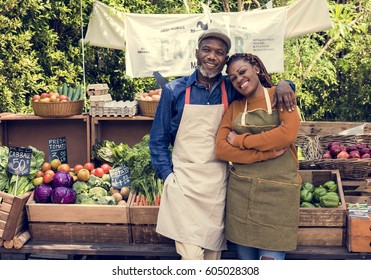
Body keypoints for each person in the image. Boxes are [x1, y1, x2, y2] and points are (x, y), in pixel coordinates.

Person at [148, 28, 296, 260]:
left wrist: (287, 84)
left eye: (219, 52)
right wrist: (168, 177)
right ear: (197, 53)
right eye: (206, 50)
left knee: (212, 258)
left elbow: (259, 88)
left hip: (218, 186)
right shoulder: (173, 91)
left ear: (224, 59)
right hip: (183, 185)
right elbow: (158, 141)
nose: (211, 56)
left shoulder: (232, 87)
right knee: (192, 258)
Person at [215, 53, 301, 260]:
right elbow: (221, 149)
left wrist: (240, 141)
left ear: (257, 69)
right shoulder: (234, 108)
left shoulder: (280, 96)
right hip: (241, 194)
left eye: (242, 72)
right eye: (233, 78)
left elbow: (286, 134)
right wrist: (264, 154)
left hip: (277, 195)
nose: (239, 80)